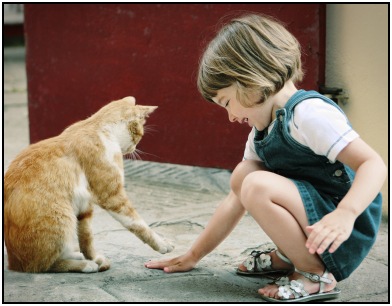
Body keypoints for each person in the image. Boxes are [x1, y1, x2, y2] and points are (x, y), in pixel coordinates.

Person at [145, 13, 386, 302]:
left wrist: (345, 214)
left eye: (227, 103)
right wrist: (193, 255)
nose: (231, 117)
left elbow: (373, 164)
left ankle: (315, 276)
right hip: (317, 223)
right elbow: (236, 198)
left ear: (251, 78)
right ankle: (289, 255)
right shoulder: (264, 129)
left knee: (257, 184)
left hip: (340, 231)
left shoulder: (310, 115)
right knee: (244, 176)